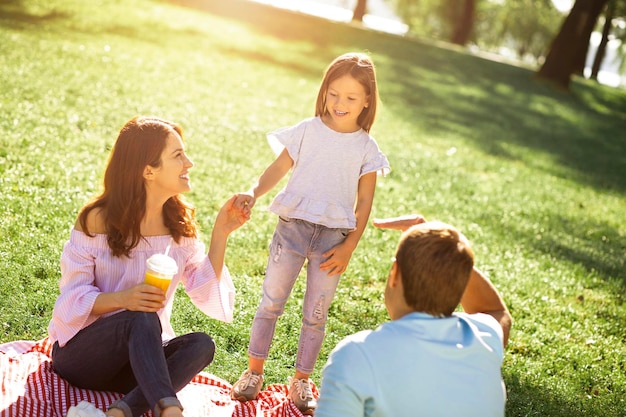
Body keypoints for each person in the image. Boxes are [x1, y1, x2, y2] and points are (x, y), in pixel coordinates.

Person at [48, 116, 250, 417]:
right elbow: (70, 300)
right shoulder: (95, 220)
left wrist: (220, 234)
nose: (189, 163)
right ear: (148, 170)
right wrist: (123, 299)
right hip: (82, 357)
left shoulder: (178, 226)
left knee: (201, 345)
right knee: (141, 318)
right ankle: (169, 410)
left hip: (137, 364)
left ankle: (122, 410)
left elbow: (206, 293)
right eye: (178, 155)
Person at [230, 52, 391, 414]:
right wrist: (253, 192)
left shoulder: (366, 148)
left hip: (334, 240)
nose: (340, 103)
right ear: (324, 91)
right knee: (271, 303)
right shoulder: (307, 130)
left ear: (367, 100)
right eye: (334, 94)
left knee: (316, 314)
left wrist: (350, 246)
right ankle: (254, 372)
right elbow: (277, 168)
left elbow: (364, 203)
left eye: (351, 98)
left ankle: (300, 380)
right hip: (293, 229)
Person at [315, 215, 513, 417]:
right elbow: (496, 310)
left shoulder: (356, 356)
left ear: (394, 273)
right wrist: (451, 258)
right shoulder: (484, 338)